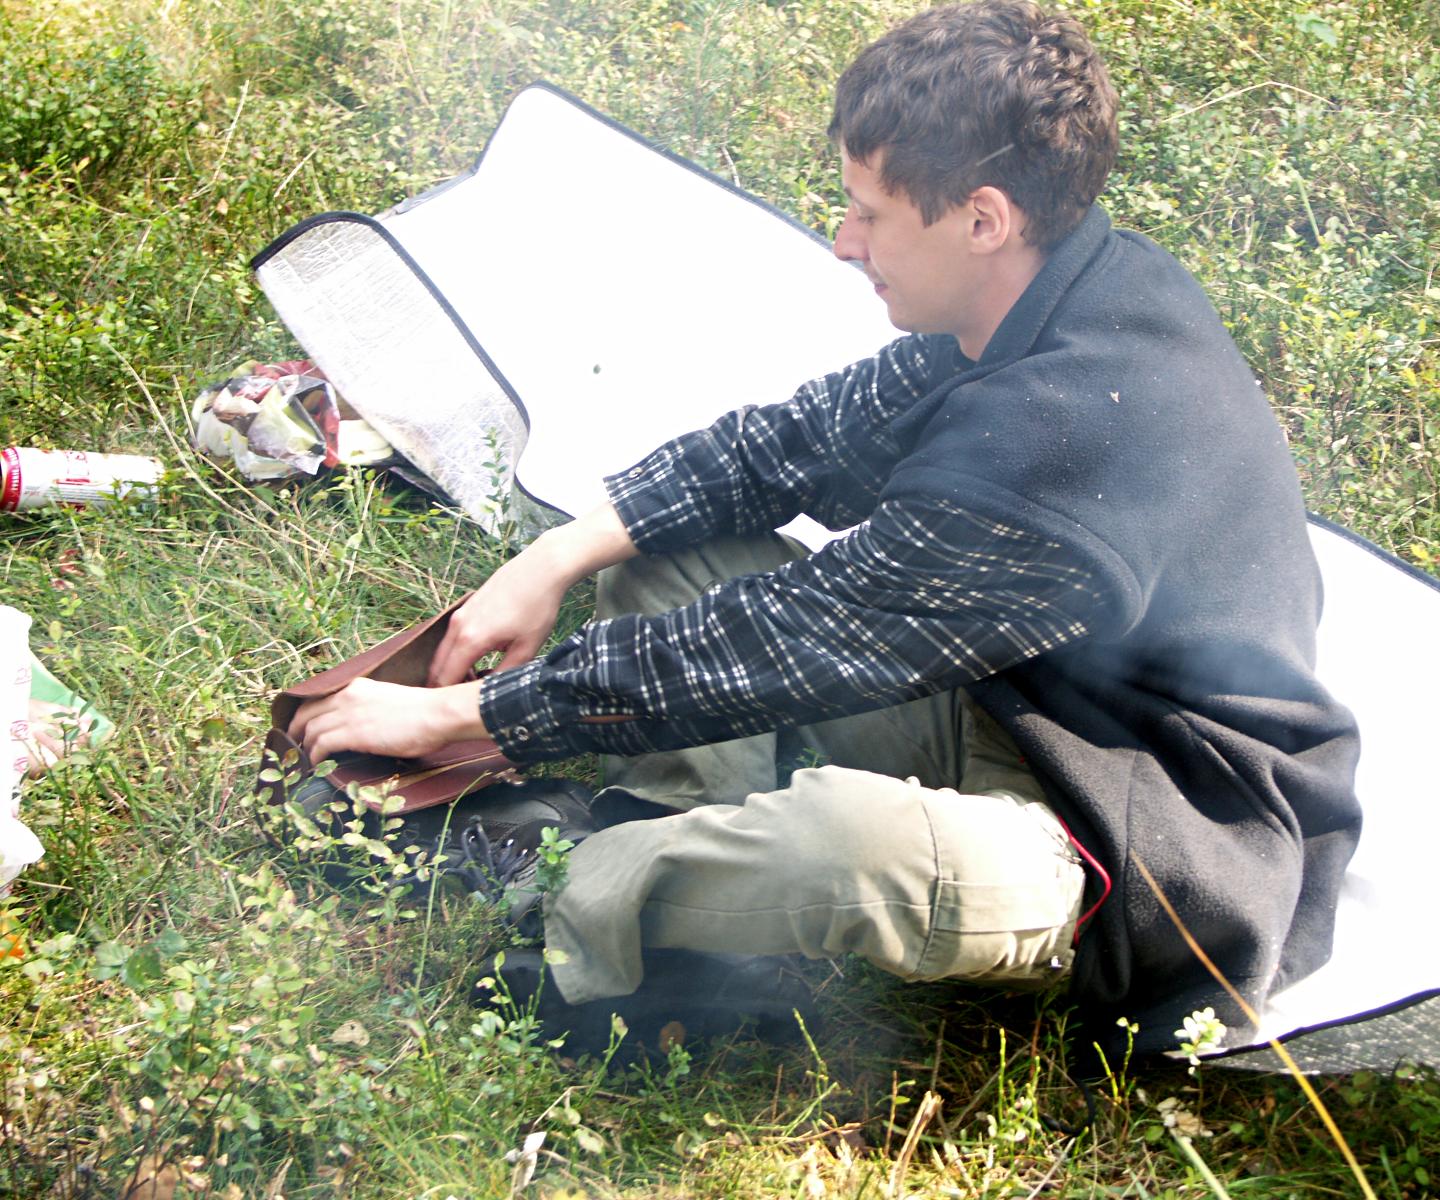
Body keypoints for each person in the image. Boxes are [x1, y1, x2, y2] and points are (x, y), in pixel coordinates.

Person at [289, 0, 1361, 1054]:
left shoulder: (1067, 443)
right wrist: (552, 555)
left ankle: (570, 889)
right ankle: (665, 860)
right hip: (1014, 699)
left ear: (982, 219)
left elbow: (787, 641)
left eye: (870, 214)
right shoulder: (1057, 291)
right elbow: (790, 447)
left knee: (840, 840)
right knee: (678, 553)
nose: (844, 243)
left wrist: (467, 717)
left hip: (1139, 834)